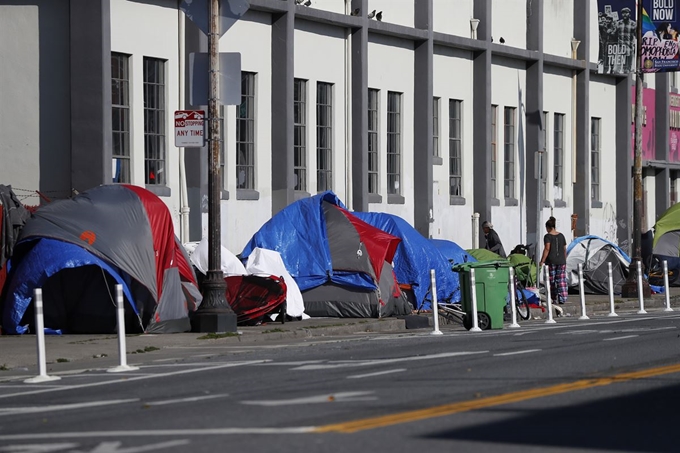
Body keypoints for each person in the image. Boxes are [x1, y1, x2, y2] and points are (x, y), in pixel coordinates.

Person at [539, 216, 568, 306]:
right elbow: (564, 249)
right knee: (561, 280)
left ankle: (553, 298)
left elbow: (547, 249)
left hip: (551, 261)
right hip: (561, 261)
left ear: (548, 227)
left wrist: (542, 261)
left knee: (551, 280)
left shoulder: (547, 236)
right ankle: (562, 298)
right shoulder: (561, 235)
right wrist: (564, 259)